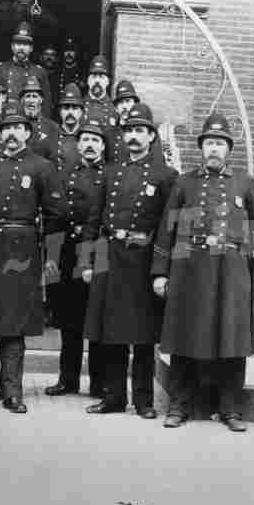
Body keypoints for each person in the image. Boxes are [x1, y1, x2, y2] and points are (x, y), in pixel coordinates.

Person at [152, 113, 254, 431]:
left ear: (228, 149)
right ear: (201, 148)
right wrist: (160, 273)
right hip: (190, 270)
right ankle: (179, 405)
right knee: (184, 337)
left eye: (219, 144)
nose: (214, 149)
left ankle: (230, 409)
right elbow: (167, 230)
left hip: (232, 272)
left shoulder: (244, 182)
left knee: (232, 340)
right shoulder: (185, 183)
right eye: (209, 143)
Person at [84, 103, 178, 418]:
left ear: (151, 136)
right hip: (111, 258)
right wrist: (88, 262)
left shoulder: (166, 176)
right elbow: (94, 221)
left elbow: (170, 227)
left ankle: (143, 401)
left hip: (143, 262)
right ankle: (112, 398)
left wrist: (162, 270)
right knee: (112, 334)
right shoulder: (111, 171)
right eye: (129, 131)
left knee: (142, 336)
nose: (134, 137)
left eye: (140, 131)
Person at [0, 101, 65, 414]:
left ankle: (14, 392)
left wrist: (49, 256)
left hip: (23, 251)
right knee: (0, 318)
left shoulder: (42, 167)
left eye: (18, 128)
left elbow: (56, 215)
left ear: (28, 132)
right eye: (7, 128)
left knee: (15, 321)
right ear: (1, 134)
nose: (12, 133)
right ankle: (3, 383)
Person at [45, 116, 108, 397]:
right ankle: (67, 380)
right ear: (78, 145)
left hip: (97, 252)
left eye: (95, 140)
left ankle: (98, 383)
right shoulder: (64, 175)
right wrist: (52, 257)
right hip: (68, 254)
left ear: (103, 146)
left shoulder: (110, 177)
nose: (90, 145)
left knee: (95, 321)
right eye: (85, 140)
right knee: (68, 321)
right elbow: (55, 219)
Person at [0, 21, 52, 105]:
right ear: (12, 46)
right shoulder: (0, 69)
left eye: (25, 44)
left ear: (31, 48)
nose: (21, 48)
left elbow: (46, 105)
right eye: (18, 43)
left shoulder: (39, 72)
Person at [20, 74, 60, 162]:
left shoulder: (53, 127)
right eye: (28, 96)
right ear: (22, 100)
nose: (31, 101)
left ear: (41, 99)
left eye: (34, 96)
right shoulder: (16, 126)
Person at [52, 83, 85, 173]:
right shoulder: (51, 137)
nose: (70, 112)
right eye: (66, 108)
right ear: (60, 111)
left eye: (74, 108)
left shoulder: (87, 138)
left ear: (81, 112)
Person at [55, 37, 85, 102]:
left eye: (72, 51)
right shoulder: (56, 73)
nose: (69, 54)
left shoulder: (83, 74)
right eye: (66, 51)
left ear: (76, 53)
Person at [39, 43, 61, 120]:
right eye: (46, 54)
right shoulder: (36, 74)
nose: (49, 57)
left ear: (56, 58)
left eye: (52, 55)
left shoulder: (60, 76)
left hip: (56, 115)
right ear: (41, 57)